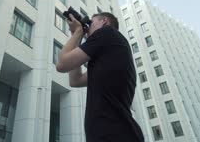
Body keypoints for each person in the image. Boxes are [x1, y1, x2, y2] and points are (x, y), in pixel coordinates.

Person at [56, 12, 145, 142]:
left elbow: (61, 65)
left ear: (104, 21)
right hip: (117, 133)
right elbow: (75, 80)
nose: (88, 28)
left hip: (114, 134)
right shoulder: (110, 53)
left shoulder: (107, 33)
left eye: (91, 23)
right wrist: (77, 35)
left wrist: (77, 33)